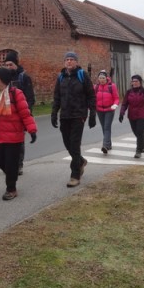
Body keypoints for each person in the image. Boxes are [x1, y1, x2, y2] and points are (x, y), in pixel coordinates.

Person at [0, 67, 37, 200]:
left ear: (3, 80)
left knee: (11, 163)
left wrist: (32, 130)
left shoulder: (16, 94)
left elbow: (25, 113)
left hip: (14, 136)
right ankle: (12, 177)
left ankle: (11, 189)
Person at [51, 52, 96, 187]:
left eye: (72, 60)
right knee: (67, 144)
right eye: (67, 60)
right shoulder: (61, 77)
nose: (69, 62)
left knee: (75, 145)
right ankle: (81, 161)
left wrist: (92, 113)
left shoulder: (82, 76)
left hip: (78, 115)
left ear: (76, 62)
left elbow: (91, 96)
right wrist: (54, 113)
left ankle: (75, 175)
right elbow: (57, 97)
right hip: (65, 115)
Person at [3, 51, 35, 175]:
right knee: (6, 140)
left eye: (10, 64)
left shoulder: (24, 77)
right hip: (6, 114)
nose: (8, 67)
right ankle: (8, 164)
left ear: (16, 64)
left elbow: (30, 98)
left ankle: (19, 164)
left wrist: (27, 114)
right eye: (6, 65)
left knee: (19, 141)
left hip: (20, 114)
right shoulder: (4, 77)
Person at [119, 75, 144, 158]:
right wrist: (122, 113)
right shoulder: (129, 92)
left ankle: (138, 150)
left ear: (140, 82)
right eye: (133, 81)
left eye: (136, 81)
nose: (135, 83)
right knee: (136, 132)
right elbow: (124, 104)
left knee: (140, 131)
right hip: (132, 115)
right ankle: (143, 143)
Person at [93, 70, 119, 154]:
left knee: (107, 127)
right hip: (99, 110)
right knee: (104, 127)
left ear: (106, 78)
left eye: (103, 78)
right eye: (100, 78)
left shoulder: (112, 86)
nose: (101, 80)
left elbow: (116, 98)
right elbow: (92, 97)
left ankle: (105, 145)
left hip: (109, 110)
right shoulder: (96, 87)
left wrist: (115, 104)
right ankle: (109, 144)